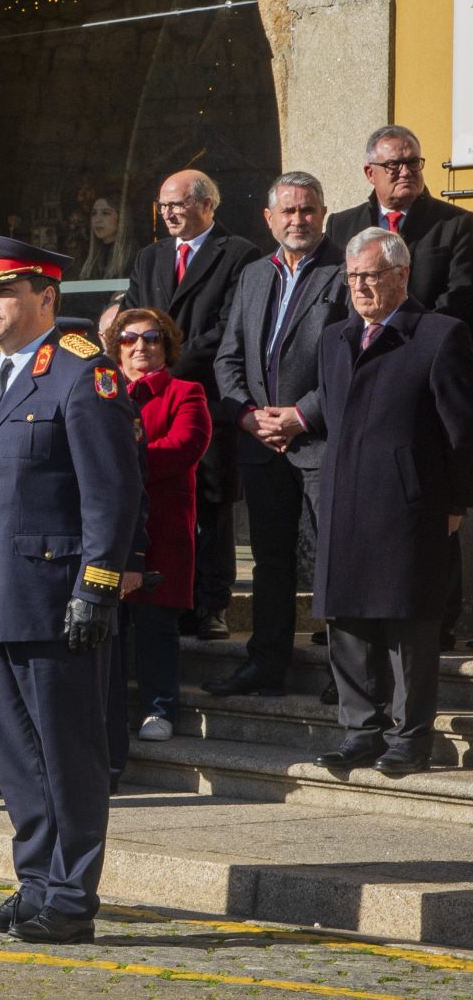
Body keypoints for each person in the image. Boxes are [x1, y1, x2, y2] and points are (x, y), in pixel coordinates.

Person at [0, 235, 140, 948]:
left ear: (47, 298)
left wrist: (97, 584)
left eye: (6, 291)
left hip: (58, 598)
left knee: (69, 753)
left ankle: (70, 895)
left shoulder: (82, 377)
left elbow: (111, 492)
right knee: (17, 758)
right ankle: (35, 883)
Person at [311, 228, 473, 772]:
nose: (359, 286)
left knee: (409, 623)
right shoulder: (335, 338)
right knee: (348, 620)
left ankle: (410, 739)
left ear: (401, 275)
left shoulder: (438, 335)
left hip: (409, 503)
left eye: (371, 275)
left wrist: (454, 503)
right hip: (344, 497)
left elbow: (461, 433)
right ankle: (361, 730)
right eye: (352, 276)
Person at [208, 172, 347, 695]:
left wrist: (301, 416)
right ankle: (266, 661)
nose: (298, 219)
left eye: (307, 210)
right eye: (287, 211)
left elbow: (351, 361)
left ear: (323, 213)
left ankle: (344, 669)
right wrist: (247, 414)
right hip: (262, 444)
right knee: (270, 560)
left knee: (330, 560)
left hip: (320, 441)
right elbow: (228, 357)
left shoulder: (343, 272)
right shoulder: (254, 276)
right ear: (269, 219)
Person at [121, 169, 258, 640]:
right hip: (152, 400)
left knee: (213, 506)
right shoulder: (149, 257)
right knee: (164, 502)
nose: (169, 213)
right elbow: (134, 316)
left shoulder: (239, 254)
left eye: (178, 204)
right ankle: (171, 599)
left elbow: (230, 327)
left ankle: (212, 605)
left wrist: (171, 363)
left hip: (205, 395)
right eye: (163, 206)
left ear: (207, 204)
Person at [102, 308, 209, 770]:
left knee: (155, 624)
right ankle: (111, 712)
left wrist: (118, 460)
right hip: (109, 527)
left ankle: (159, 707)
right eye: (130, 339)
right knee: (110, 624)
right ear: (116, 347)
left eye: (152, 339)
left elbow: (185, 446)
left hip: (161, 527)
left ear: (167, 346)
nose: (140, 347)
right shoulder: (102, 393)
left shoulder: (187, 392)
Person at [324, 125, 473, 323]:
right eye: (393, 165)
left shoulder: (457, 224)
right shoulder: (342, 225)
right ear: (370, 173)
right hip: (358, 344)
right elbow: (334, 294)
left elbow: (460, 295)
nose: (406, 172)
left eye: (412, 162)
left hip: (424, 343)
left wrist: (413, 334)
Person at [75, 188, 129, 282]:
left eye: (106, 213)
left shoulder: (134, 257)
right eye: (94, 213)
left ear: (121, 218)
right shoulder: (86, 255)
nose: (97, 219)